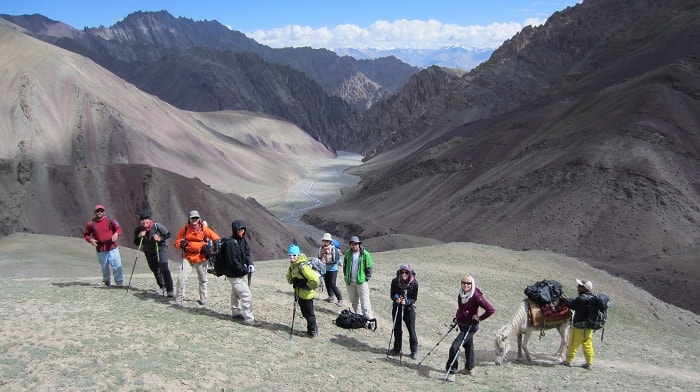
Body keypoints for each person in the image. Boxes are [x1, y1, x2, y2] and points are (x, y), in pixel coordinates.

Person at [445, 274, 495, 382]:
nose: (466, 285)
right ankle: (470, 367)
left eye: (468, 283)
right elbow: (461, 309)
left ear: (472, 284)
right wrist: (457, 318)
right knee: (468, 346)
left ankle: (451, 371)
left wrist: (479, 318)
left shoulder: (476, 296)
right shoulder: (461, 294)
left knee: (455, 347)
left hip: (470, 327)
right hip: (462, 325)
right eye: (463, 282)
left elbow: (490, 309)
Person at [172, 210, 220, 306]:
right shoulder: (184, 229)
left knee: (203, 279)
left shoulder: (204, 229)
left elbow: (216, 238)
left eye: (196, 218)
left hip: (201, 257)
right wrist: (181, 245)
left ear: (199, 219)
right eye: (192, 218)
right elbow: (176, 243)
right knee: (181, 277)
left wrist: (212, 250)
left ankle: (203, 298)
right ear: (189, 219)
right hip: (188, 257)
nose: (194, 220)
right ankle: (179, 298)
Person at [223, 220, 262, 327]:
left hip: (237, 273)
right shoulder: (231, 243)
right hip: (233, 274)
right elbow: (233, 262)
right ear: (235, 230)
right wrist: (245, 270)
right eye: (240, 229)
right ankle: (249, 319)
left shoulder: (242, 240)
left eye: (243, 229)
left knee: (235, 293)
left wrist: (250, 264)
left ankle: (236, 313)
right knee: (246, 294)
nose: (242, 231)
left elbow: (247, 253)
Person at [133, 211, 173, 297]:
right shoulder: (137, 230)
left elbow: (168, 234)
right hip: (149, 251)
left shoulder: (156, 226)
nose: (145, 221)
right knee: (155, 270)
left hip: (161, 249)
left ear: (149, 219)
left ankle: (170, 290)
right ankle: (162, 286)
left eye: (146, 219)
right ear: (140, 221)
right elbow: (136, 242)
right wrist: (139, 236)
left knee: (164, 267)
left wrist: (160, 238)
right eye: (142, 219)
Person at [84, 204, 124, 287]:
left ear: (104, 212)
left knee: (116, 265)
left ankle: (119, 282)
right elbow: (86, 235)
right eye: (97, 211)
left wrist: (116, 234)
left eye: (101, 211)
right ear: (94, 212)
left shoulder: (110, 220)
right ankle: (106, 281)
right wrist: (90, 240)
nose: (99, 212)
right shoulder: (91, 224)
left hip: (112, 247)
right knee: (104, 267)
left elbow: (118, 228)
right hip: (100, 248)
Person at [286, 244, 320, 338]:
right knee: (305, 313)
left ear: (298, 255)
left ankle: (312, 332)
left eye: (294, 255)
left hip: (307, 294)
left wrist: (305, 284)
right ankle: (311, 330)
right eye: (290, 255)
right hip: (299, 293)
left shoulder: (303, 266)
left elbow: (315, 280)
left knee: (309, 314)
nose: (292, 257)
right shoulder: (293, 265)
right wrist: (294, 281)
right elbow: (289, 278)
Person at [561, 278, 595, 369]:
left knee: (572, 344)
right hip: (589, 327)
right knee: (587, 345)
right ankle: (589, 363)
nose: (577, 287)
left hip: (579, 327)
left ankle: (568, 361)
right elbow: (575, 303)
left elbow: (572, 305)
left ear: (584, 288)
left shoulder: (582, 298)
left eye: (580, 286)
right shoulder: (593, 297)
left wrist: (565, 300)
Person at [389, 264, 419, 360]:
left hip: (408, 309)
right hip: (397, 307)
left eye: (406, 272)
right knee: (397, 328)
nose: (404, 274)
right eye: (402, 272)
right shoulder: (395, 281)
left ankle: (414, 351)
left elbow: (414, 298)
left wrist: (407, 302)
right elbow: (392, 294)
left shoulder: (414, 283)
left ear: (409, 272)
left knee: (411, 330)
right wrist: (396, 298)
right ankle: (397, 349)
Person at [342, 235, 374, 322]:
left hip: (361, 281)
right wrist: (346, 275)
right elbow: (345, 265)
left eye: (356, 244)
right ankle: (359, 318)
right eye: (352, 244)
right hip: (350, 282)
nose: (354, 245)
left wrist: (366, 278)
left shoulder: (365, 254)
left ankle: (369, 319)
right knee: (354, 301)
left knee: (365, 302)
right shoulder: (348, 253)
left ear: (359, 244)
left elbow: (369, 267)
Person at [318, 233, 343, 306]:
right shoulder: (320, 249)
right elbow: (319, 257)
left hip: (333, 269)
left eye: (327, 241)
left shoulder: (333, 249)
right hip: (325, 268)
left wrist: (326, 262)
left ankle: (340, 299)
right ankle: (331, 297)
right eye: (324, 240)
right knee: (327, 283)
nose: (325, 242)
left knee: (332, 284)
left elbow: (335, 261)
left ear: (330, 242)